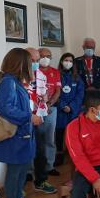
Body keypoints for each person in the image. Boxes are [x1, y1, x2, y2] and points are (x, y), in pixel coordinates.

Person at [0, 48, 40, 198]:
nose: (33, 64)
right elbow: (6, 108)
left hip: (23, 135)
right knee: (14, 174)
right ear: (21, 63)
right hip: (15, 137)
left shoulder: (15, 81)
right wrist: (29, 117)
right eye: (30, 61)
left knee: (21, 173)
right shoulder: (8, 82)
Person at [25, 48, 56, 194]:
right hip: (22, 120)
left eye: (37, 61)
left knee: (41, 150)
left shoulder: (41, 75)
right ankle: (23, 180)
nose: (36, 64)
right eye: (33, 61)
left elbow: (43, 96)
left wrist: (43, 103)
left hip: (37, 119)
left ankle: (41, 180)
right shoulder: (18, 77)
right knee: (21, 152)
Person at [55, 53, 85, 165]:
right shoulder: (56, 75)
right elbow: (53, 92)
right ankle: (59, 154)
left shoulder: (77, 78)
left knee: (74, 134)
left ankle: (75, 155)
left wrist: (71, 107)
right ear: (62, 61)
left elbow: (80, 94)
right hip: (60, 110)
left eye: (71, 61)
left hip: (73, 111)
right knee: (59, 134)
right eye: (66, 60)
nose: (68, 63)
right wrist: (62, 105)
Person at [37, 48, 62, 176]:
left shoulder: (55, 72)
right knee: (35, 139)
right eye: (42, 56)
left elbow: (58, 90)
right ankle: (31, 170)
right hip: (35, 110)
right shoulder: (33, 71)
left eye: (48, 56)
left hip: (51, 109)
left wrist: (50, 103)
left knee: (49, 139)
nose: (45, 58)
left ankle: (49, 166)